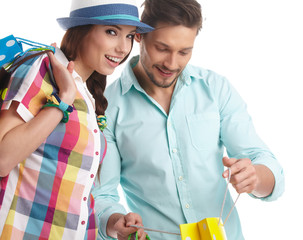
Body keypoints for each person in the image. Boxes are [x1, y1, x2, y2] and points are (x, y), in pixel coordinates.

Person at [92, 0, 285, 239]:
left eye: (184, 52)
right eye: (162, 48)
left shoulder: (216, 89)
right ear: (139, 36)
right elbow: (102, 196)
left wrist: (255, 176)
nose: (172, 64)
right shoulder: (106, 108)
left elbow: (268, 165)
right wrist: (114, 223)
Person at [0, 0, 153, 239]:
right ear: (81, 29)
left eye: (130, 36)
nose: (123, 48)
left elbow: (74, 191)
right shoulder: (43, 68)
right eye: (112, 32)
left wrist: (112, 224)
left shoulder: (90, 96)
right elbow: (2, 158)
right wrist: (63, 100)